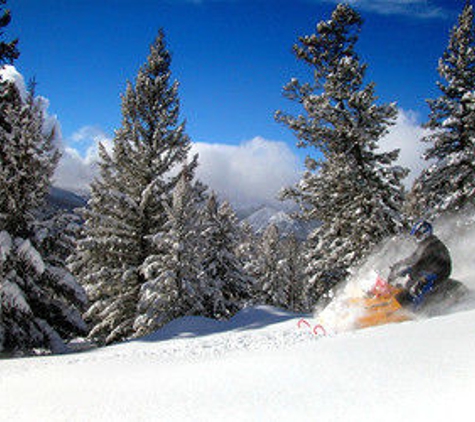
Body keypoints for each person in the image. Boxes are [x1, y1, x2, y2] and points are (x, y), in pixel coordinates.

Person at [388, 220, 452, 309]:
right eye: (415, 235)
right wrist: (400, 264)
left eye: (418, 234)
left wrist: (410, 269)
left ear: (425, 233)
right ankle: (401, 302)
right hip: (431, 270)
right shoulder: (424, 244)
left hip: (440, 272)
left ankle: (416, 310)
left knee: (420, 285)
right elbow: (414, 258)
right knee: (409, 283)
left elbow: (423, 261)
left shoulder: (434, 245)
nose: (416, 237)